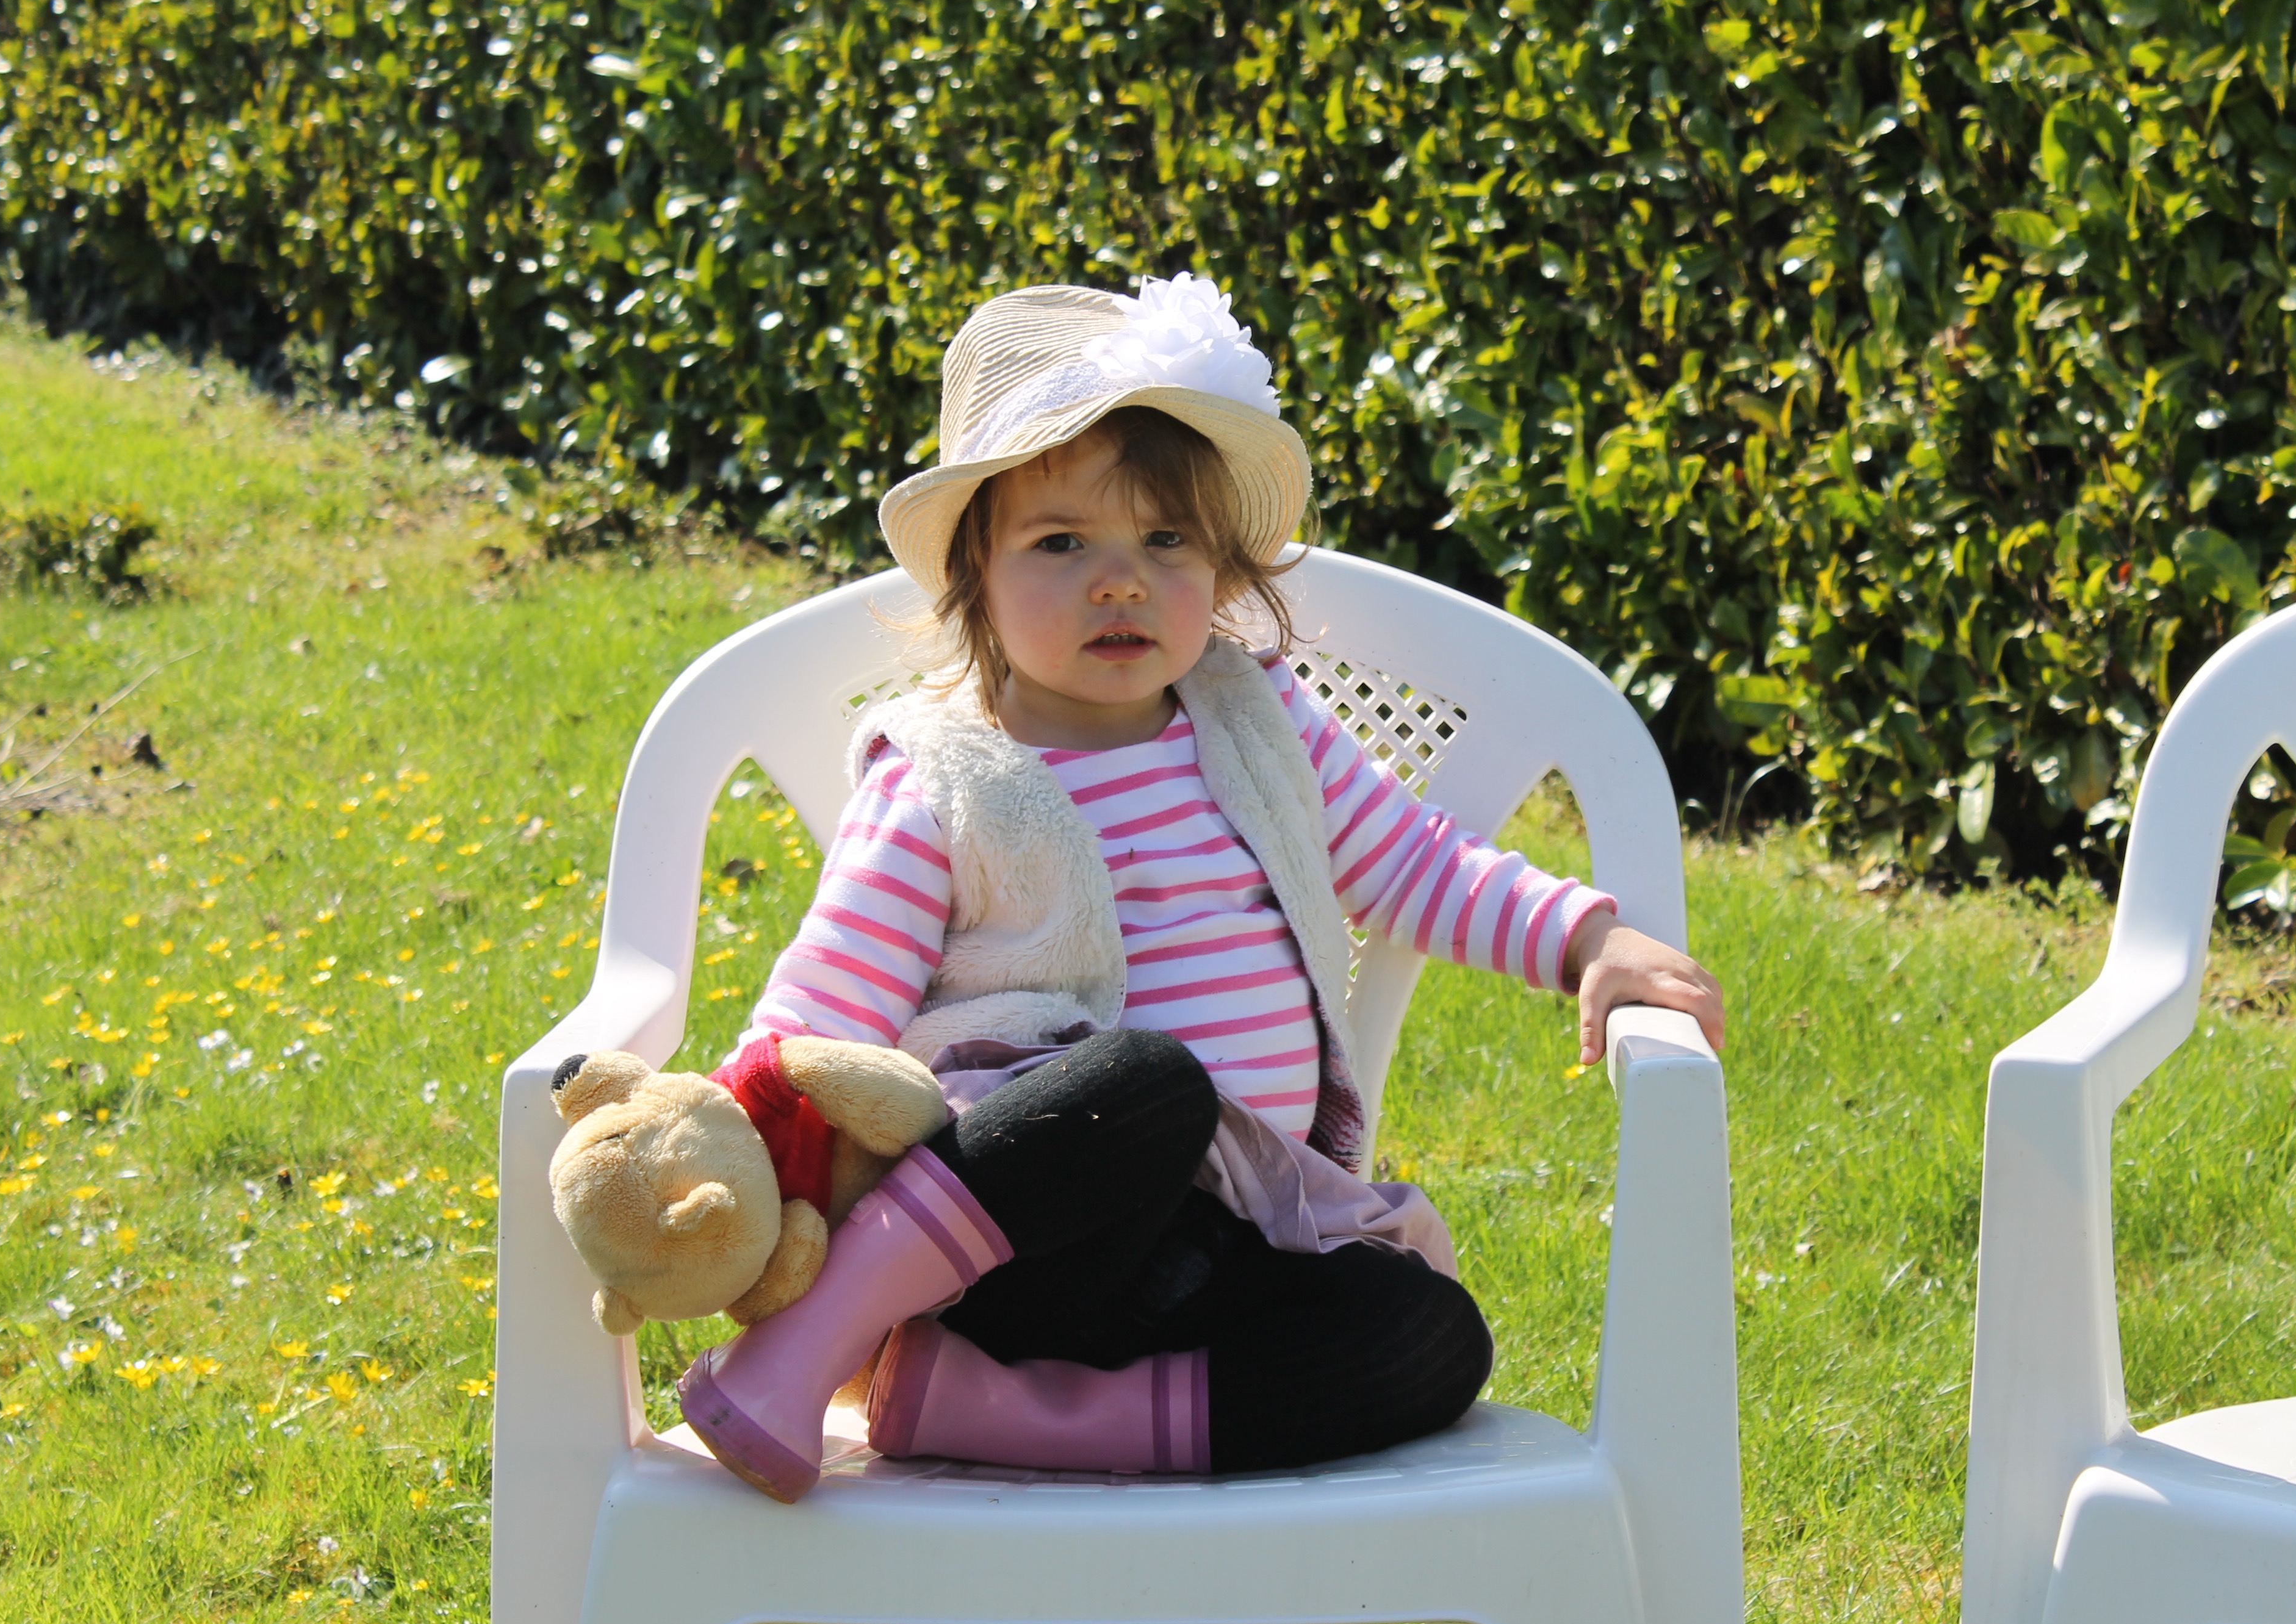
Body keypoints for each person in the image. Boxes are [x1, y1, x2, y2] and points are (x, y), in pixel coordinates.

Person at [678, 274, 1726, 1502]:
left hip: (1227, 1244)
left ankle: (985, 1410)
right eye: (1062, 543)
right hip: (1021, 1241)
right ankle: (807, 1349)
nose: (1120, 581)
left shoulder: (1257, 722)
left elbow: (1415, 862)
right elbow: (826, 1009)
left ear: (1223, 567)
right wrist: (720, 1145)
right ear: (974, 573)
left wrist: (1587, 940)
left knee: (1431, 1336)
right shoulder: (949, 776)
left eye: (1165, 541)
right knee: (1148, 1080)